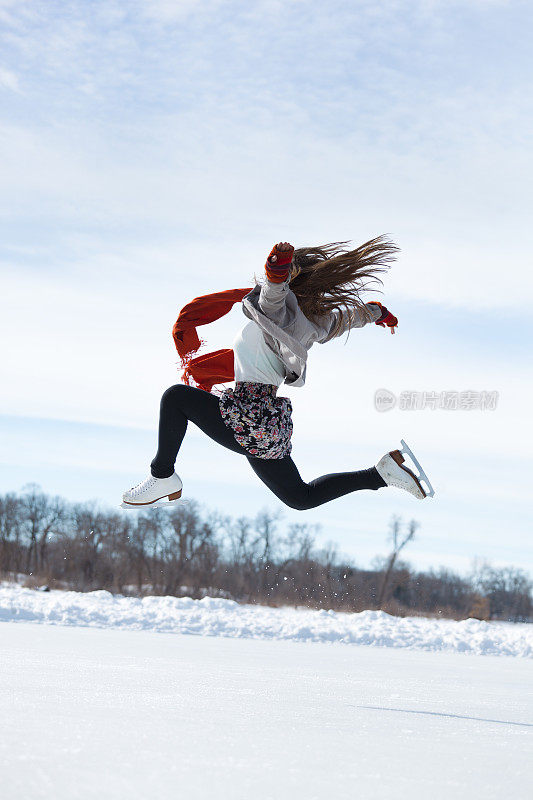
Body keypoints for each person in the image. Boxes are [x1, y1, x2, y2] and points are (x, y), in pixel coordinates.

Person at [122, 238, 433, 509]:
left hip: (247, 415)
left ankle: (161, 476)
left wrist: (276, 270)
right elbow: (346, 320)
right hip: (264, 424)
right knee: (301, 497)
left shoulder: (277, 310)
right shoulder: (312, 324)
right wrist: (377, 313)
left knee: (175, 397)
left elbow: (272, 295)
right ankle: (379, 474)